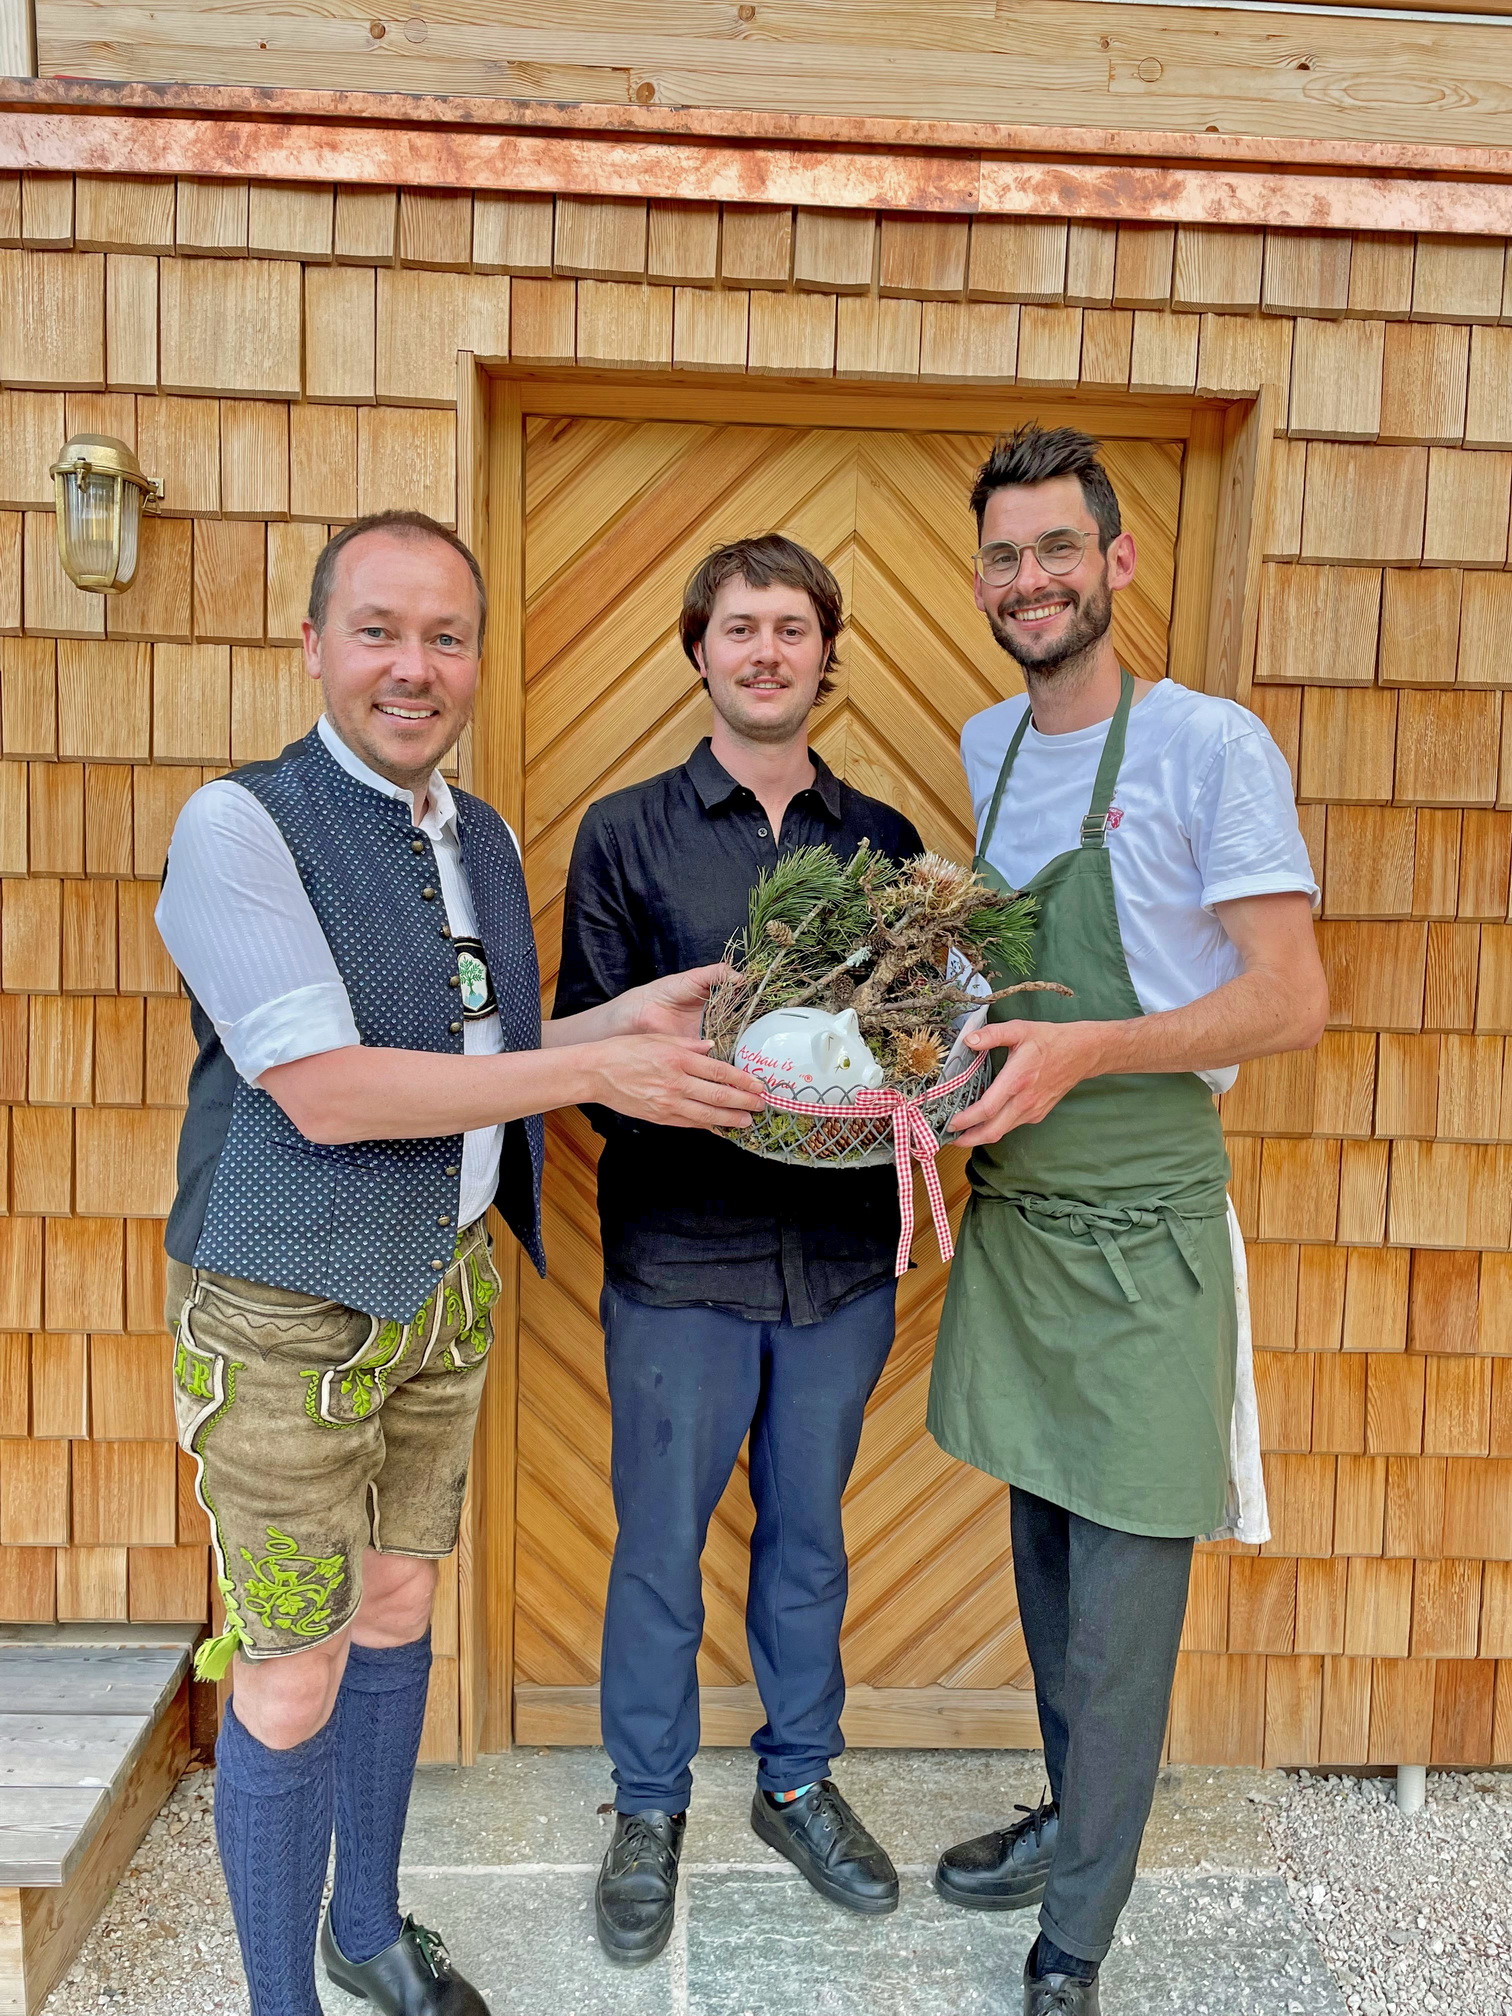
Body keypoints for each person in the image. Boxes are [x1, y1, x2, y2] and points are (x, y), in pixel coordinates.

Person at [155, 510, 763, 2016]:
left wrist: (616, 1026)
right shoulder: (240, 826)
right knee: (288, 1668)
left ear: (477, 660)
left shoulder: (474, 834)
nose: (413, 667)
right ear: (315, 645)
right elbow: (326, 1089)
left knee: (396, 1613)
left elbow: (477, 1055)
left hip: (441, 1294)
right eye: (379, 632)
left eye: (445, 637)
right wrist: (592, 1076)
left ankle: (365, 1931)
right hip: (285, 1312)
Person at [925, 427, 1328, 2016]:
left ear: (1117, 562)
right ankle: (1069, 1818)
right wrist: (924, 1073)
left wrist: (1087, 1050)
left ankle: (1075, 1940)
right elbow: (997, 976)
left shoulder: (1210, 747)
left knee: (1125, 1609)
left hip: (1150, 1221)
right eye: (1005, 557)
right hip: (1023, 1215)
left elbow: (1288, 1000)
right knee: (1043, 1562)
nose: (1031, 580)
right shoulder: (987, 746)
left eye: (1057, 549)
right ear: (982, 582)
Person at [556, 534, 925, 1964]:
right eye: (741, 628)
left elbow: (913, 1041)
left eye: (792, 628)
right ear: (698, 652)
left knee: (811, 1538)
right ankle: (647, 1808)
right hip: (680, 1259)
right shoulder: (625, 834)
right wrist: (694, 1082)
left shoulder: (883, 845)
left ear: (827, 656)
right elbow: (585, 1057)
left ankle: (797, 1783)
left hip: (837, 1264)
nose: (767, 651)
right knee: (659, 1546)